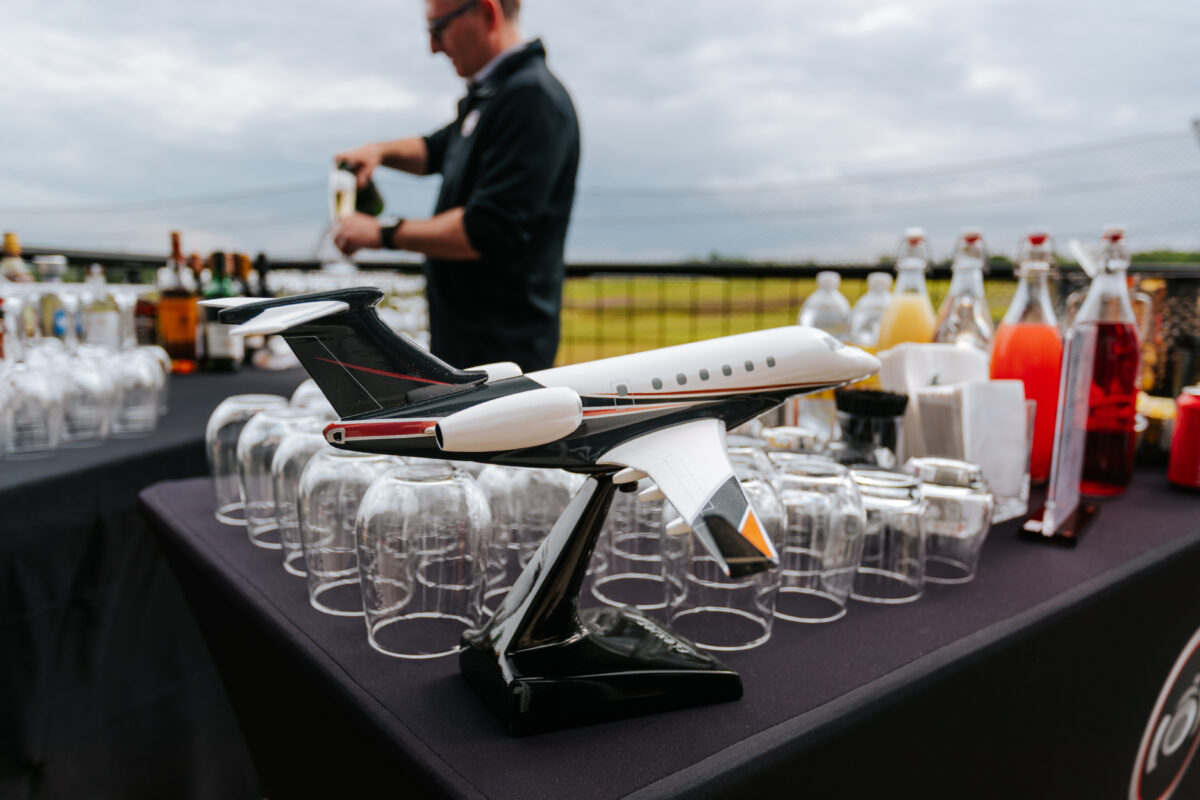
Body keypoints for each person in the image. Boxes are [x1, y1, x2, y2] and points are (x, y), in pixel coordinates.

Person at [334, 0, 580, 373]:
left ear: (487, 13)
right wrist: (379, 152)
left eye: (438, 28)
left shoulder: (530, 99)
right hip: (471, 346)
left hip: (502, 356)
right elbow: (436, 149)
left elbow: (486, 229)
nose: (433, 47)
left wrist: (381, 233)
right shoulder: (495, 95)